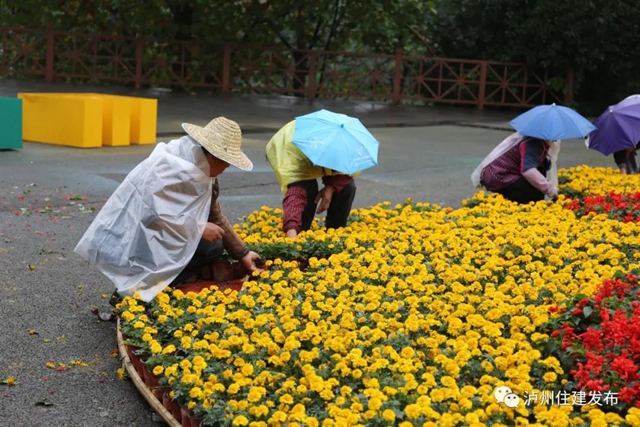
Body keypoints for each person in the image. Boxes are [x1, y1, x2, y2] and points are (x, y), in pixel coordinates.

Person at [74, 117, 262, 303]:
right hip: (139, 235)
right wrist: (198, 228)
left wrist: (243, 253)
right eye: (226, 161)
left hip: (166, 233)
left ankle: (159, 284)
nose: (228, 166)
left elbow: (215, 214)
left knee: (214, 245)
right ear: (213, 156)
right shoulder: (170, 164)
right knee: (210, 247)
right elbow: (151, 214)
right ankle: (134, 294)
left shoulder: (205, 173)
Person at [266, 120, 357, 238]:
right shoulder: (296, 156)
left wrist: (331, 188)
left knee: (347, 186)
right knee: (308, 188)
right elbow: (297, 193)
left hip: (322, 145)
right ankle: (300, 231)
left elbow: (347, 173)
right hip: (286, 147)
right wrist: (291, 230)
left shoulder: (346, 147)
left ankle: (336, 232)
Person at [472, 132, 560, 204]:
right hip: (499, 175)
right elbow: (528, 170)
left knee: (540, 174)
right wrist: (549, 189)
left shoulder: (537, 138)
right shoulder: (534, 142)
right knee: (533, 195)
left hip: (500, 172)